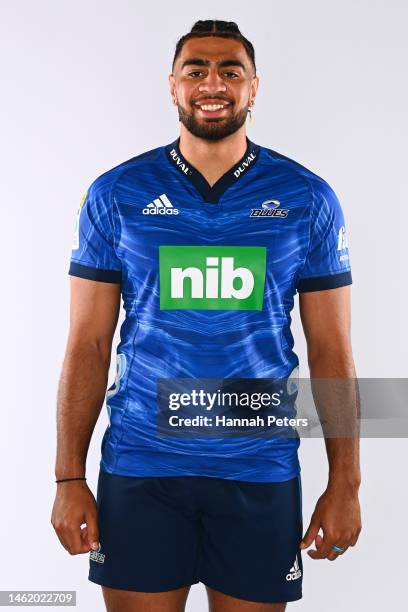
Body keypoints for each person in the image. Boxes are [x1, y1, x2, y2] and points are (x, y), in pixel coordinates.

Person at [51, 20, 362, 612]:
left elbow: (332, 350)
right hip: (142, 467)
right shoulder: (116, 194)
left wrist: (344, 481)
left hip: (260, 470)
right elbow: (87, 344)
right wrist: (69, 478)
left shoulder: (307, 197)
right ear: (173, 86)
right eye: (196, 70)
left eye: (230, 71)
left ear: (254, 87)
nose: (211, 83)